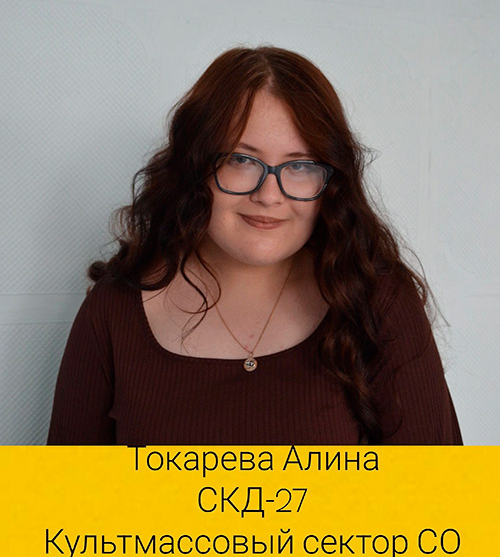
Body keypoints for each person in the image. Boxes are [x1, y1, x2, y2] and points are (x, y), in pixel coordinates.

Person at [47, 45, 462, 445]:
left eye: (300, 165)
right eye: (241, 160)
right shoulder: (114, 310)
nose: (268, 195)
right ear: (195, 165)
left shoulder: (379, 301)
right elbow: (63, 493)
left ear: (331, 182)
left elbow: (439, 490)